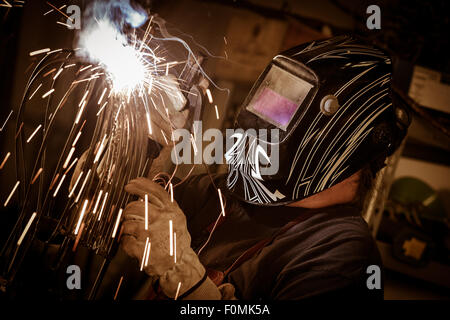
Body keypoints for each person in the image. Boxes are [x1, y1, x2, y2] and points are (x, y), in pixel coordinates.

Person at [118, 35, 411, 300]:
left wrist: (185, 276)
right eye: (264, 102)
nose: (259, 123)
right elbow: (120, 210)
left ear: (340, 137)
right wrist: (141, 148)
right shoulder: (225, 195)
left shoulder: (345, 256)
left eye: (281, 110)